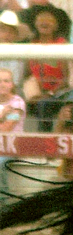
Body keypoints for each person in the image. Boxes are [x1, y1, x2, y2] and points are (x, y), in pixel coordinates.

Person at [0, 67, 26, 200]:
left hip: (11, 147)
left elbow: (6, 129)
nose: (2, 84)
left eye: (6, 81)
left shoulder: (17, 103)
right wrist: (2, 116)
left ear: (12, 84)